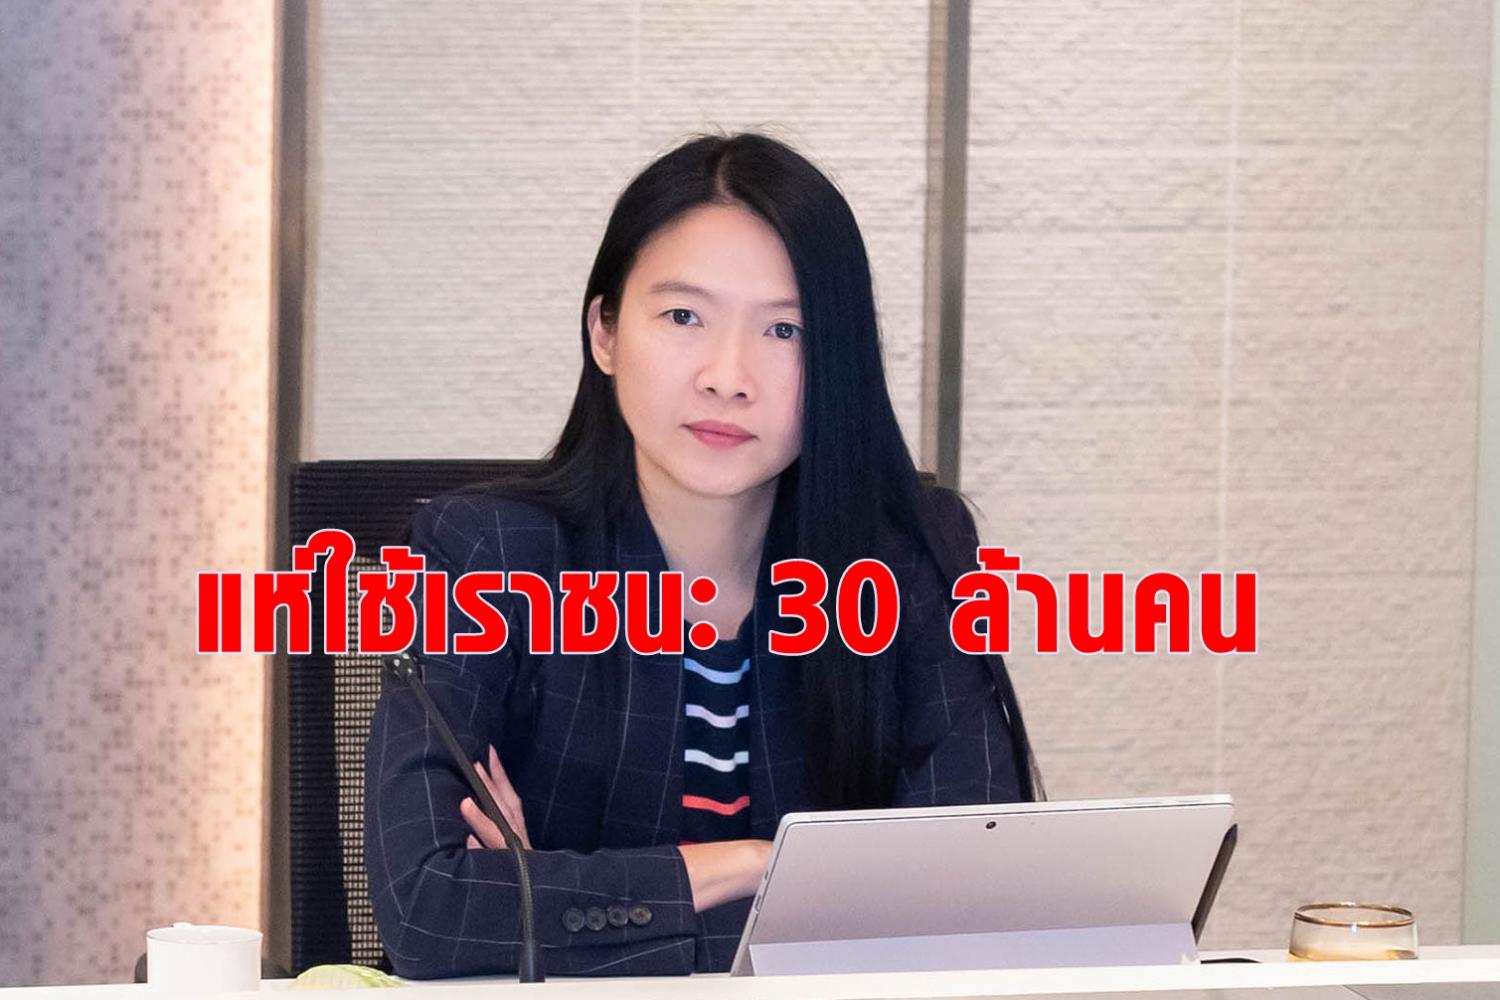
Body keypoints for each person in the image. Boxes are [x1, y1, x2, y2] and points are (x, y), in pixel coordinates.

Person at [363, 130, 1041, 979]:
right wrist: (763, 866)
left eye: (785, 330)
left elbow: (976, 901)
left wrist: (552, 906)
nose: (728, 376)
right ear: (605, 332)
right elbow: (429, 913)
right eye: (683, 316)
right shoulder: (485, 559)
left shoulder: (911, 564)